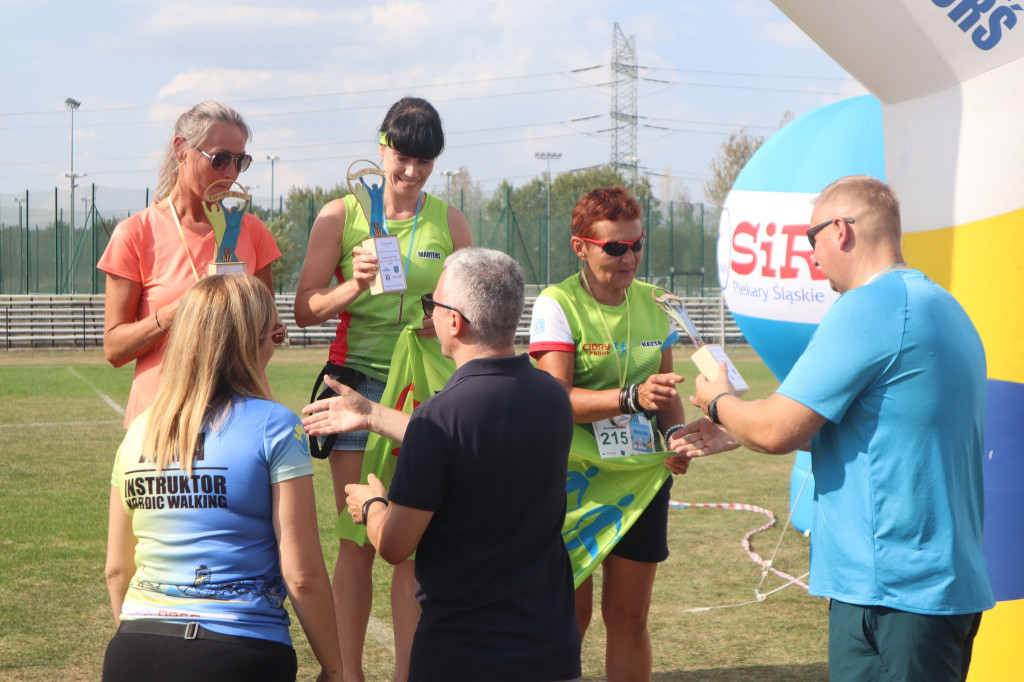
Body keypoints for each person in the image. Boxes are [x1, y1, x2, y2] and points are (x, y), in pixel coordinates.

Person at [680, 175, 994, 681]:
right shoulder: (941, 304)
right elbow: (877, 425)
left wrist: (718, 402)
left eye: (811, 238)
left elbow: (776, 430)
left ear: (842, 230)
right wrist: (739, 427)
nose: (810, 254)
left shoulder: (869, 308)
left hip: (893, 595)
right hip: (934, 589)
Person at [302, 249, 582, 682]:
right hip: (550, 649)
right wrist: (372, 414)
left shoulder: (441, 417)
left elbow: (395, 547)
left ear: (456, 322)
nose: (428, 315)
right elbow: (472, 435)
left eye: (433, 305)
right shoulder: (551, 398)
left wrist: (373, 504)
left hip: (463, 653)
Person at [293, 96, 471, 681]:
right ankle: (346, 675)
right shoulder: (342, 214)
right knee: (356, 540)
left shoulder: (449, 221)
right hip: (354, 385)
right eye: (403, 157)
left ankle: (406, 675)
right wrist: (354, 285)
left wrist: (439, 317)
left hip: (422, 389)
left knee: (411, 539)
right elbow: (304, 309)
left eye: (425, 161)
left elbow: (468, 306)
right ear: (382, 147)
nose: (412, 172)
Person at [102, 274, 342, 682]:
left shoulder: (139, 431)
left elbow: (116, 570)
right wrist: (336, 667)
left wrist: (148, 634)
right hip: (240, 649)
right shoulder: (277, 427)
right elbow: (302, 576)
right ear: (250, 343)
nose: (275, 346)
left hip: (135, 648)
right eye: (274, 335)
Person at [529, 186, 689, 682]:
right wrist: (628, 398)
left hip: (640, 478)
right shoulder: (556, 303)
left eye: (636, 245)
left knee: (629, 616)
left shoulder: (657, 302)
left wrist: (678, 435)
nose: (630, 257)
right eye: (615, 248)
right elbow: (555, 401)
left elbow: (664, 393)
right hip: (569, 479)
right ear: (581, 246)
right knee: (567, 616)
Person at [97, 100, 280, 429]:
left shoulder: (252, 231)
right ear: (182, 150)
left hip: (240, 417)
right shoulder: (135, 233)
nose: (231, 173)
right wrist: (176, 312)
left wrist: (270, 333)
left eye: (241, 161)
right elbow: (114, 349)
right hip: (162, 420)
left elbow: (271, 330)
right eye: (220, 159)